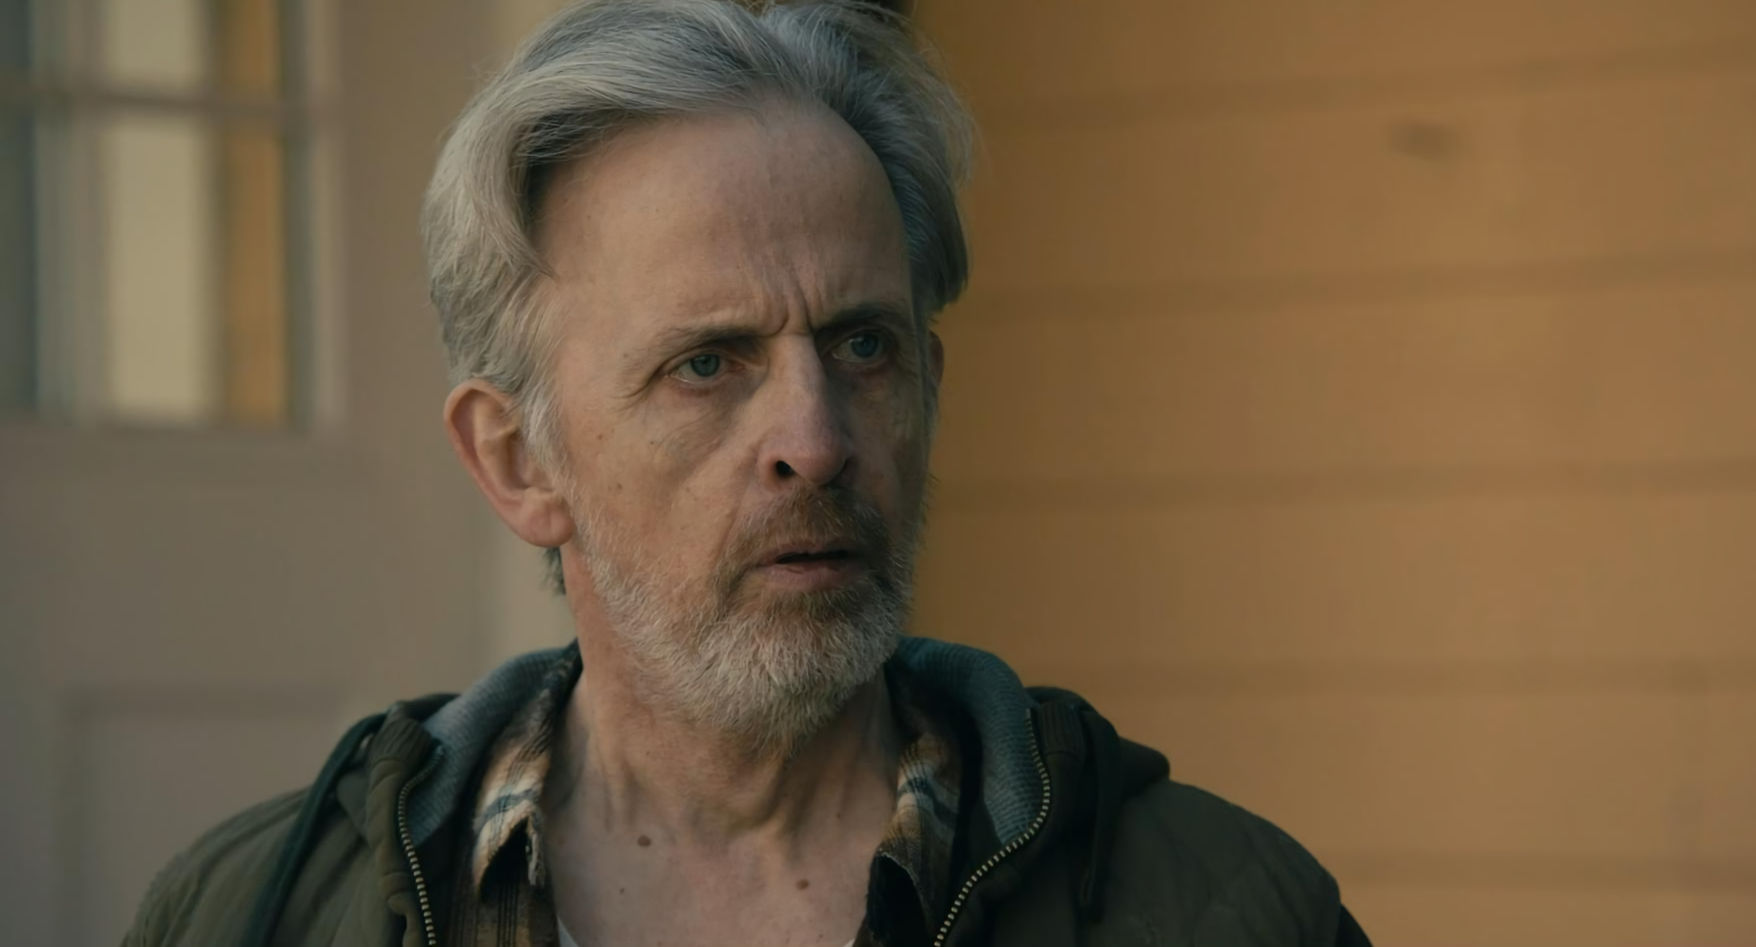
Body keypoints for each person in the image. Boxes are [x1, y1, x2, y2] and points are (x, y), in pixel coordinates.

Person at [125, 1, 1371, 944]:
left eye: (863, 345)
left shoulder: (1219, 905)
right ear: (518, 459)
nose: (815, 439)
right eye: (707, 363)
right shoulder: (257, 912)